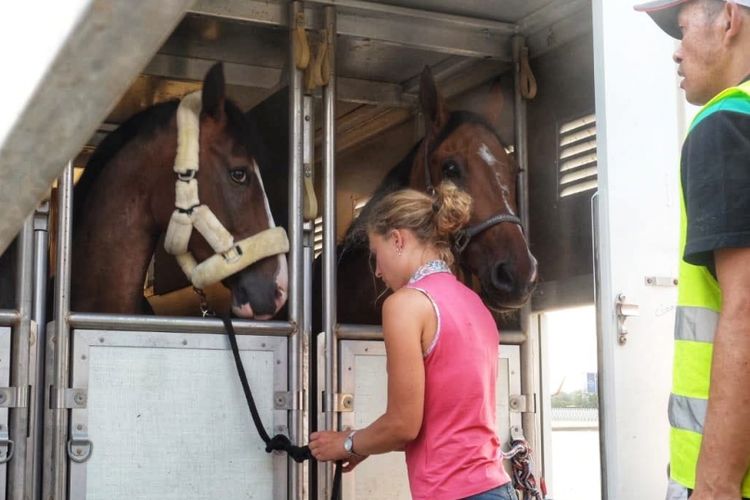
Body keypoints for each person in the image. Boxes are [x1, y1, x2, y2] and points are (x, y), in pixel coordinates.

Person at [309, 182, 518, 500]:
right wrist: (365, 444)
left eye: (376, 255)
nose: (378, 271)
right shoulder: (474, 303)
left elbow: (404, 425)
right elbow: (441, 421)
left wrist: (347, 442)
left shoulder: (405, 305)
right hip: (496, 487)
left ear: (397, 240)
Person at [634, 1, 750, 499]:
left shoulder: (725, 122)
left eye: (681, 31)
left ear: (729, 19)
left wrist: (716, 484)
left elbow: (745, 305)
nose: (676, 53)